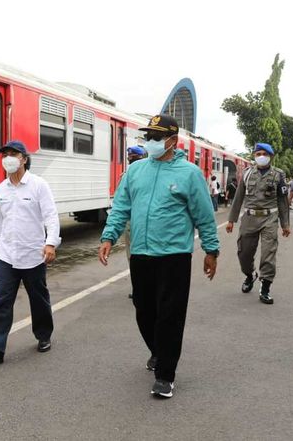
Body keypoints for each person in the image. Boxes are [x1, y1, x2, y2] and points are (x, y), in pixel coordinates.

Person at [98, 114, 219, 399]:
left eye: (155, 137)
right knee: (144, 310)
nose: (149, 142)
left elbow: (204, 216)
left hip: (174, 256)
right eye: (147, 137)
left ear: (172, 141)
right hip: (141, 254)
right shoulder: (136, 171)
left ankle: (165, 374)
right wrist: (108, 236)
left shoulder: (189, 174)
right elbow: (121, 208)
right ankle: (158, 350)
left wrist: (211, 250)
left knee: (170, 316)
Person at [0, 140, 60, 364]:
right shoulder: (0, 190)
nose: (8, 158)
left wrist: (50, 243)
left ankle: (43, 335)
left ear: (24, 158)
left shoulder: (38, 185)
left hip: (33, 254)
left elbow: (51, 216)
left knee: (38, 299)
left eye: (13, 154)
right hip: (7, 255)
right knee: (1, 301)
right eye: (5, 154)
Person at [226, 143, 290, 303]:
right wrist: (231, 220)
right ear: (254, 156)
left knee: (269, 253)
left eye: (264, 153)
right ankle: (249, 275)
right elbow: (238, 197)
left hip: (270, 218)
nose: (261, 156)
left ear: (271, 156)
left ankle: (266, 287)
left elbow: (282, 201)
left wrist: (285, 224)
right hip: (249, 218)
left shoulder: (279, 175)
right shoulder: (247, 174)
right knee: (244, 254)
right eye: (258, 153)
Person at [124, 145, 147, 299]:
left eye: (131, 158)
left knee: (133, 256)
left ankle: (139, 288)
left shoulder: (126, 175)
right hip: (139, 220)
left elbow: (121, 203)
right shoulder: (148, 174)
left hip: (133, 222)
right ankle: (141, 287)